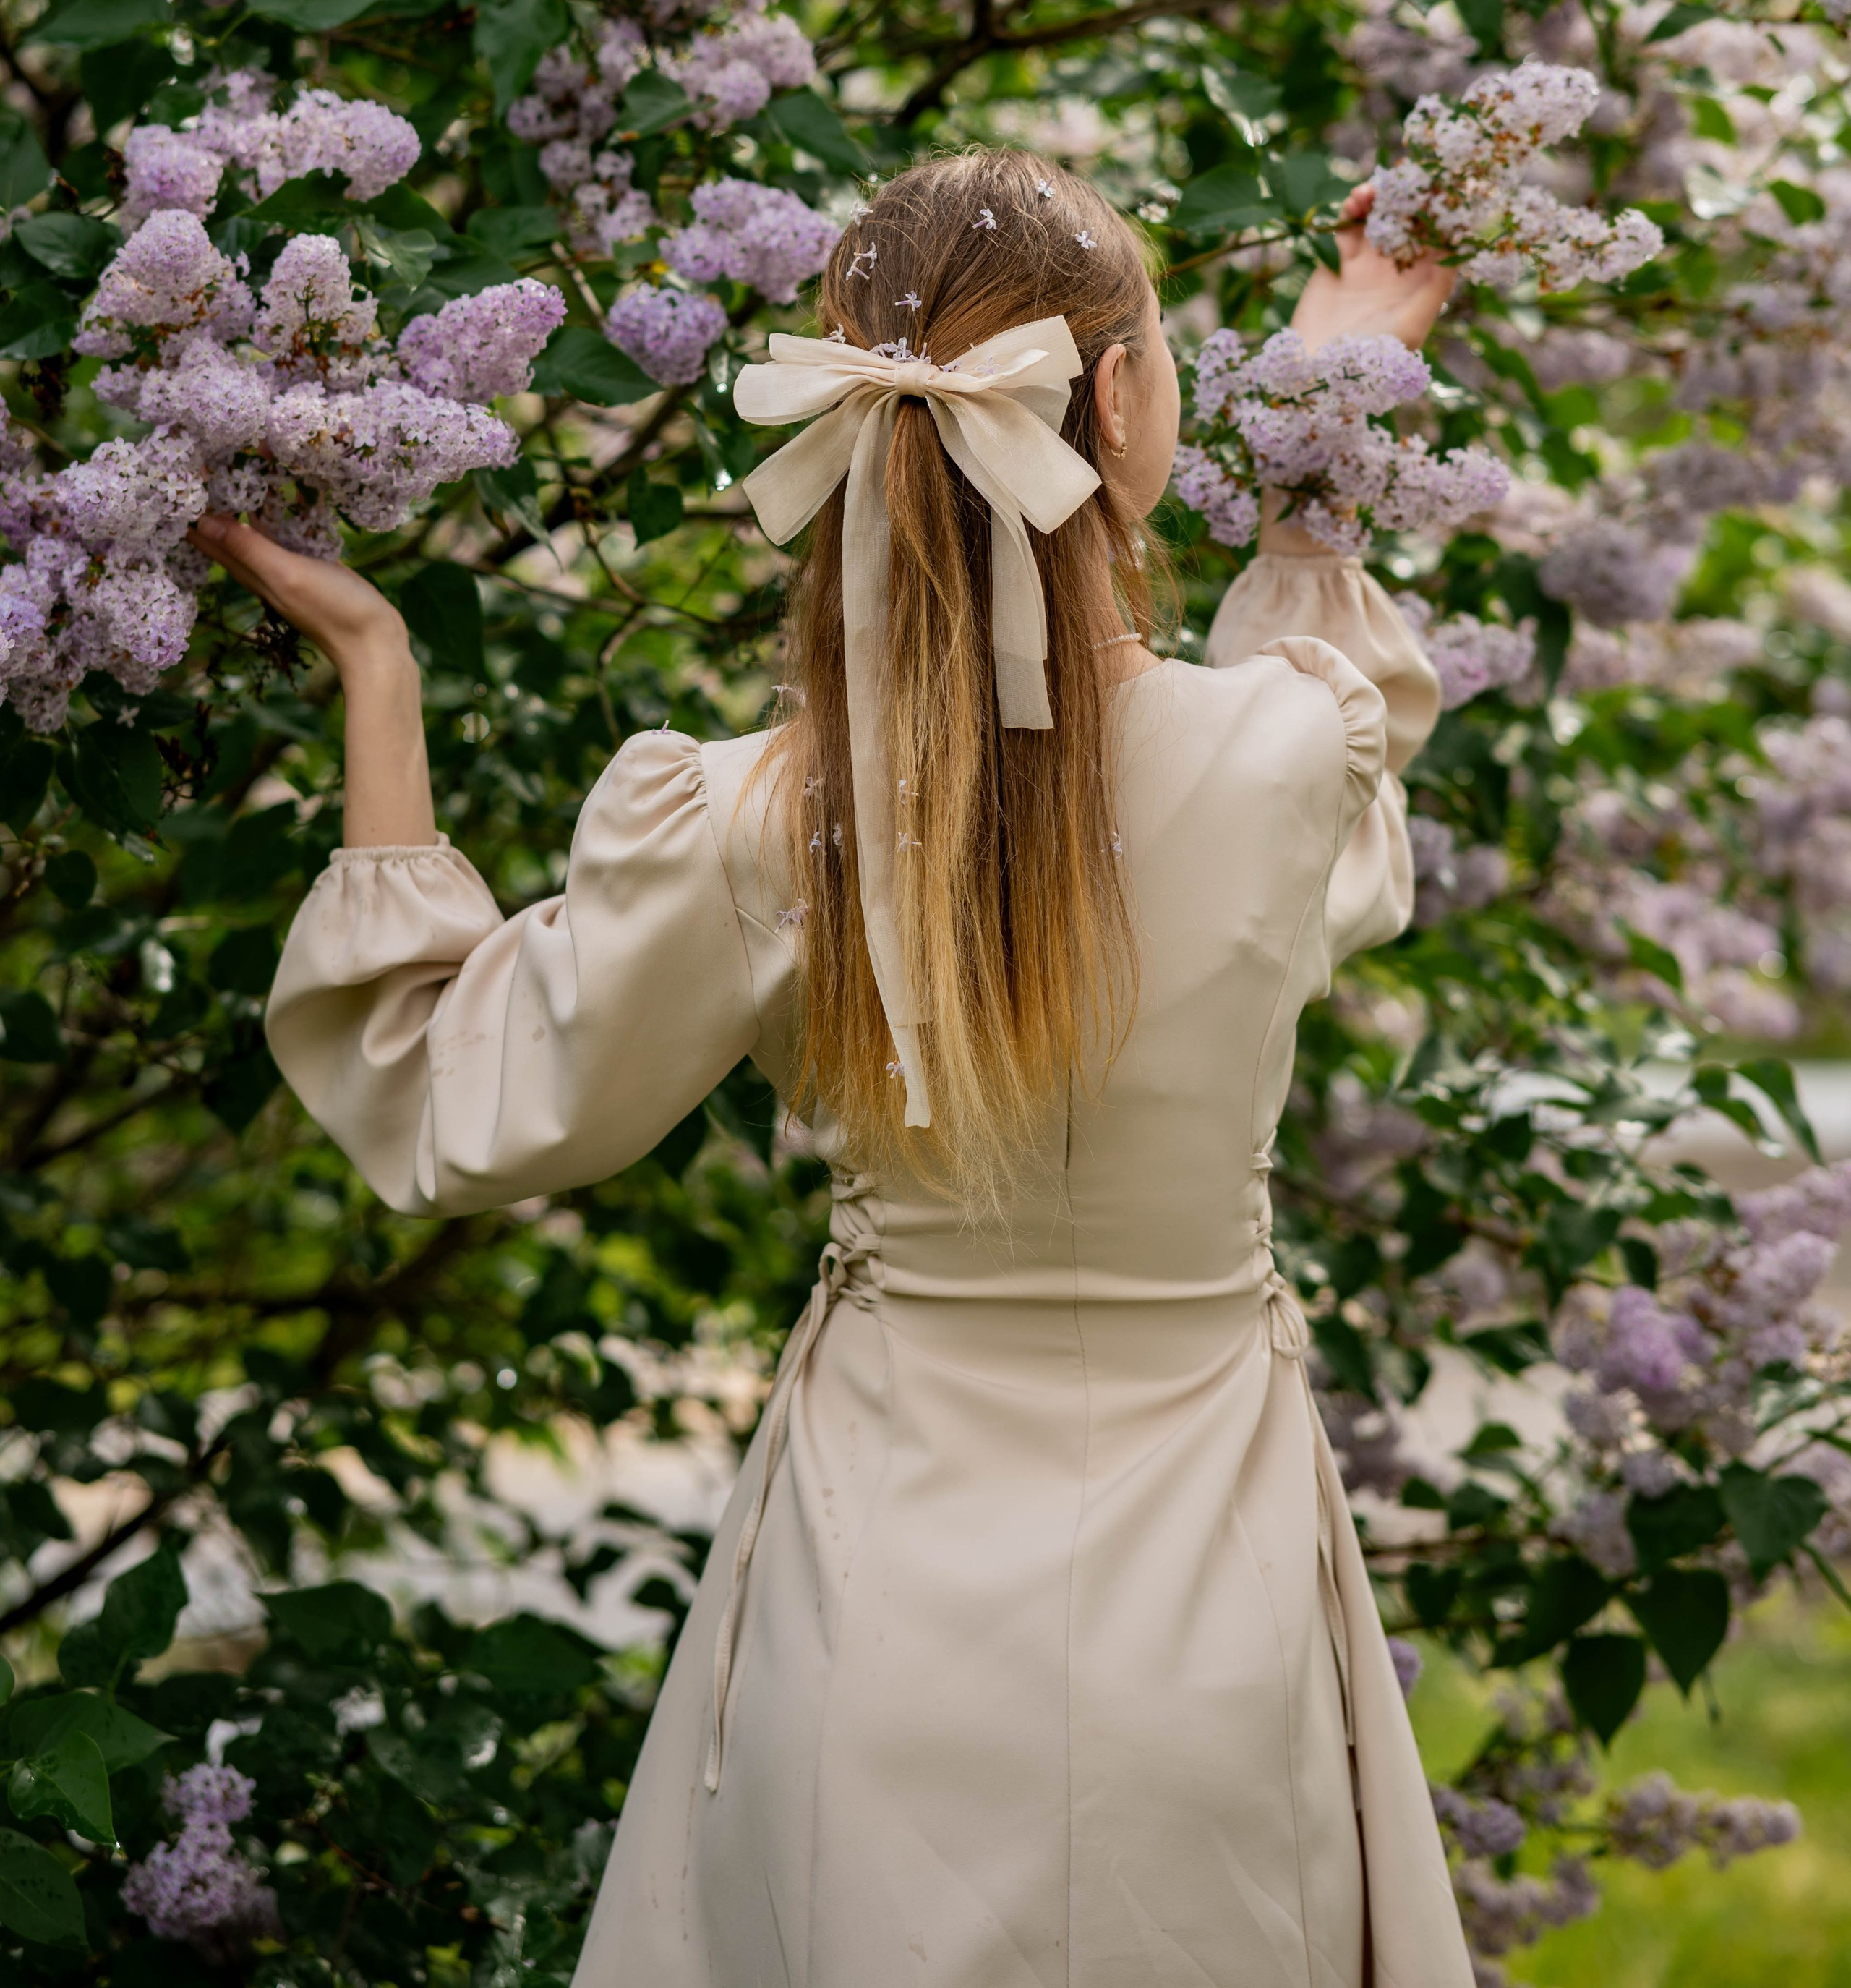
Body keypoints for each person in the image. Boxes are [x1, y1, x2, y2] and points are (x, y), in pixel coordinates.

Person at [222, 148, 1473, 1988]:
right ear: (1122, 395)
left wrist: (376, 662)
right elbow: (1316, 811)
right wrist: (1322, 430)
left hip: (873, 1595)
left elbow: (444, 1095)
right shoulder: (1284, 758)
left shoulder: (759, 818)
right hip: (1211, 1613)